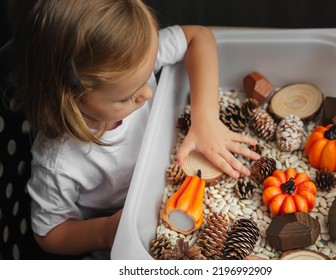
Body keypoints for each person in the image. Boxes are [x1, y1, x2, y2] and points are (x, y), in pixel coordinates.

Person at [8, 0, 260, 257]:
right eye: (127, 97)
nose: (148, 93)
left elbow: (199, 37)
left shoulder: (130, 57)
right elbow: (50, 233)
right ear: (70, 98)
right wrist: (105, 231)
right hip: (120, 229)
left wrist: (204, 119)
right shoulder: (59, 162)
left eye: (149, 72)